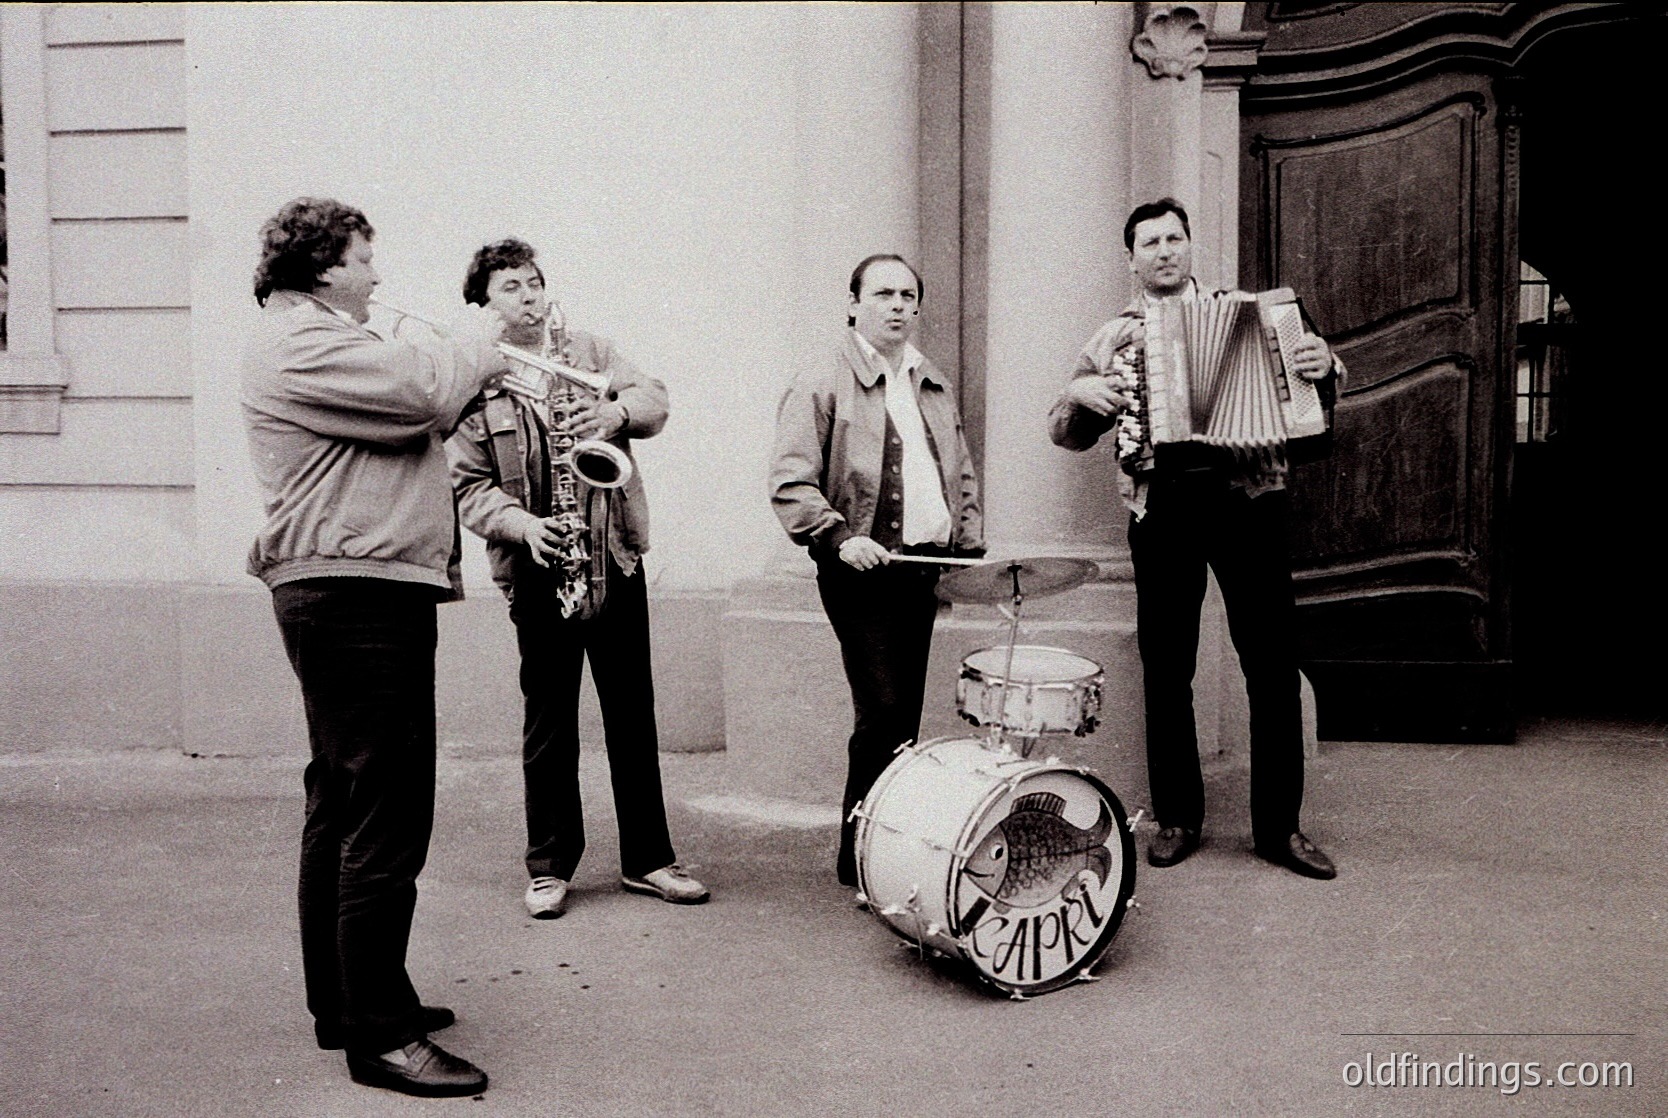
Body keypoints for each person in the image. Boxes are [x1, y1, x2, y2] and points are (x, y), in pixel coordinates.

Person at [242, 197, 506, 1097]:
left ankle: (345, 1003)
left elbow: (418, 412)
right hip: (353, 595)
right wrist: (485, 336)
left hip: (354, 589)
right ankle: (380, 1036)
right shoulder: (303, 342)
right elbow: (427, 391)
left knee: (344, 800)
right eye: (363, 259)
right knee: (387, 811)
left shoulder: (323, 343)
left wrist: (461, 377)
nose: (377, 276)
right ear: (321, 268)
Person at [1048, 197, 1342, 880]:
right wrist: (1082, 394)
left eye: (1174, 238)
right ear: (1132, 259)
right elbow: (1067, 430)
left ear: (1189, 247)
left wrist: (1325, 363)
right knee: (1167, 663)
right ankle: (1178, 817)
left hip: (1247, 499)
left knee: (1270, 665)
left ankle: (1280, 830)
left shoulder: (1253, 315)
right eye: (1150, 242)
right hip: (1164, 507)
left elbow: (1316, 382)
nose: (1165, 251)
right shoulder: (1113, 337)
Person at [446, 238, 708, 920]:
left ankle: (649, 859)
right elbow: (467, 486)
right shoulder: (476, 379)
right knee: (549, 719)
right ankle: (550, 864)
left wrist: (616, 413)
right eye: (510, 287)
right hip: (539, 561)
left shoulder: (588, 353)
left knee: (631, 711)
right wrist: (522, 526)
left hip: (612, 554)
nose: (528, 296)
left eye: (533, 283)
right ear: (484, 303)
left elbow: (653, 398)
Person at [770, 254, 985, 887]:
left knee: (903, 719)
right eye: (883, 293)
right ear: (853, 304)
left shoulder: (930, 381)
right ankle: (859, 856)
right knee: (883, 709)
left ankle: (883, 853)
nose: (897, 305)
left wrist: (966, 552)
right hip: (859, 570)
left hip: (920, 571)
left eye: (908, 295)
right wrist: (838, 537)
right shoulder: (821, 379)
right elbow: (789, 480)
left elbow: (960, 471)